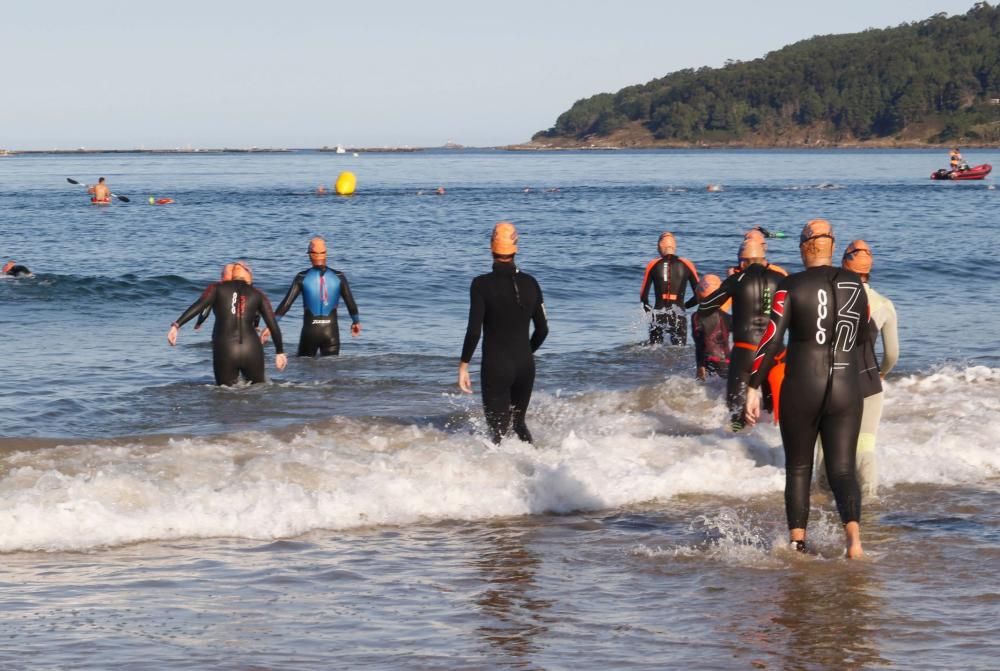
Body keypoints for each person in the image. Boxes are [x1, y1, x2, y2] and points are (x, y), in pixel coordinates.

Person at [744, 219, 877, 559]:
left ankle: (797, 545)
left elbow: (771, 339)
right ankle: (855, 543)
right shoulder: (856, 286)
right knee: (843, 470)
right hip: (847, 387)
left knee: (799, 468)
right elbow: (866, 335)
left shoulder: (791, 285)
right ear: (833, 245)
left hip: (803, 385)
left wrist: (753, 386)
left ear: (804, 247)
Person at [816, 239, 899, 499]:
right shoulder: (884, 304)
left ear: (843, 264)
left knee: (824, 446)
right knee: (864, 445)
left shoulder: (828, 298)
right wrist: (882, 371)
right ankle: (870, 503)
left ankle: (823, 499)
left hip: (831, 380)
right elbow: (893, 354)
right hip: (868, 381)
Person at [458, 222, 548, 444]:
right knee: (518, 423)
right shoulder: (531, 283)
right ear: (516, 247)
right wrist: (526, 352)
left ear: (491, 246)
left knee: (497, 432)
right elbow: (543, 330)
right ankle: (539, 467)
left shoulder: (480, 285)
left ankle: (498, 476)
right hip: (525, 366)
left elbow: (474, 331)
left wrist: (464, 365)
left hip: (496, 366)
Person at [698, 238, 787, 431]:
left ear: (740, 262)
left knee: (736, 409)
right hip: (776, 352)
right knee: (774, 410)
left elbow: (706, 309)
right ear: (764, 259)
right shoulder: (780, 279)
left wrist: (729, 285)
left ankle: (736, 444)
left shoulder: (735, 280)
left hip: (746, 352)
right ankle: (768, 448)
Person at [167, 262, 287, 385]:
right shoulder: (258, 294)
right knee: (258, 391)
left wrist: (177, 325)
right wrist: (280, 352)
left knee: (223, 394)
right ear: (248, 275)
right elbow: (273, 324)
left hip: (225, 349)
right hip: (252, 348)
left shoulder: (217, 289)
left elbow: (199, 306)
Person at [264, 237, 361, 357]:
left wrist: (271, 326)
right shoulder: (339, 276)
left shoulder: (302, 277)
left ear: (310, 255)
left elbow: (286, 304)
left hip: (310, 333)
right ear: (325, 254)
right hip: (331, 332)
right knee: (331, 371)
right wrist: (356, 322)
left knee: (304, 371)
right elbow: (350, 303)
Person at [639, 231, 699, 345]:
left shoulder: (653, 264)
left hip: (658, 314)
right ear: (674, 246)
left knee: (654, 350)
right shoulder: (687, 264)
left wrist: (650, 312)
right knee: (680, 352)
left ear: (660, 246)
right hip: (678, 315)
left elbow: (643, 297)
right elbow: (700, 295)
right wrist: (684, 306)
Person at [690, 274, 731, 380]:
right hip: (727, 361)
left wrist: (700, 367)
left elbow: (700, 344)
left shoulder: (696, 317)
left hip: (709, 361)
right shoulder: (726, 316)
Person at [194, 263, 236, 331]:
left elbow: (205, 311)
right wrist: (256, 325)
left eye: (222, 272)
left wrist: (199, 323)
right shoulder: (245, 289)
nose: (221, 274)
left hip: (222, 333)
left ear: (223, 274)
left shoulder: (216, 289)